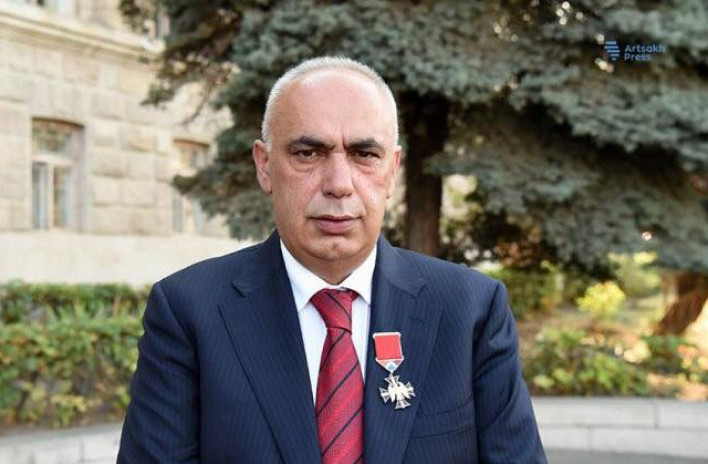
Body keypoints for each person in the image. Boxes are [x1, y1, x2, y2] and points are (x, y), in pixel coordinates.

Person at [117, 56, 547, 464]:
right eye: (308, 153)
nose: (339, 184)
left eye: (365, 155)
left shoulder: (470, 310)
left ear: (392, 170)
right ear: (265, 166)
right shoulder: (189, 312)